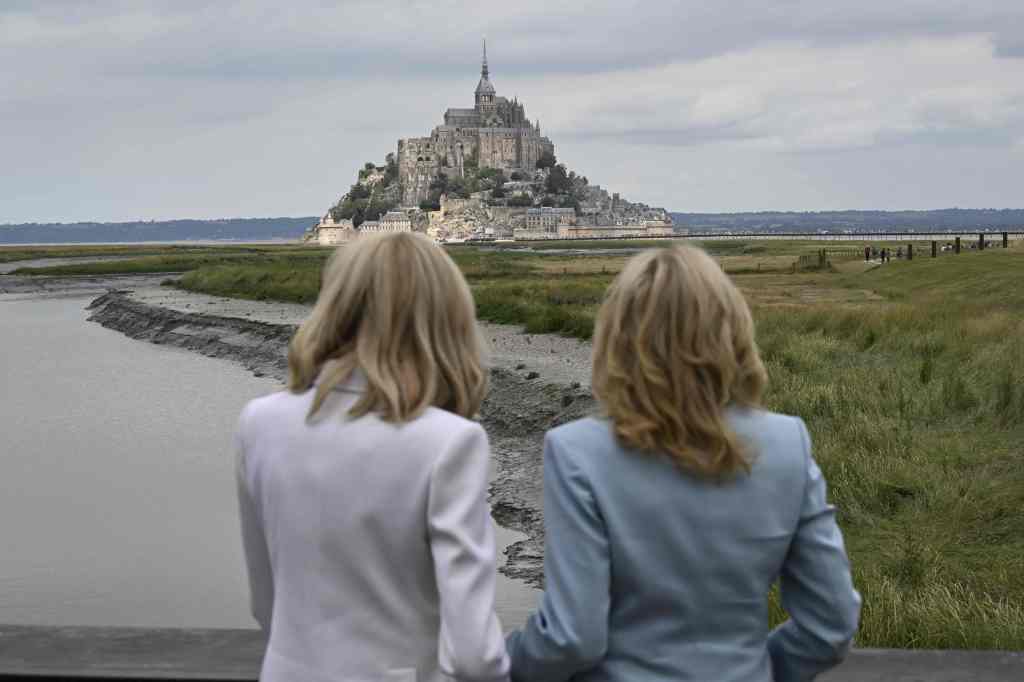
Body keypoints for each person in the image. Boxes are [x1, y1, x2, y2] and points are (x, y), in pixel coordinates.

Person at [506, 245, 861, 682]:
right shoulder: (788, 442)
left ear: (618, 339)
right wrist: (756, 669)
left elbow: (571, 638)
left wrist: (502, 660)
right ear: (732, 331)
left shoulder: (576, 450)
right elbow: (831, 623)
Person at [235, 232, 510, 682]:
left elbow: (265, 605)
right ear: (446, 319)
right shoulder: (450, 441)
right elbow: (474, 655)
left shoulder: (258, 422)